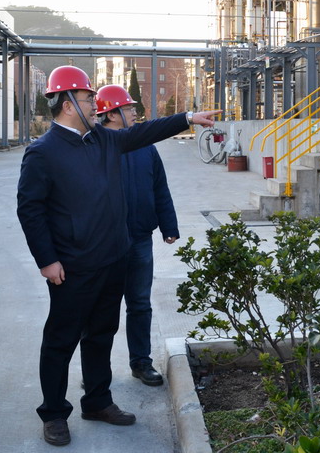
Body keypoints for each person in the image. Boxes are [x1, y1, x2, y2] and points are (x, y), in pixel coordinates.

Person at [16, 65, 219, 447]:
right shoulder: (43, 152)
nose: (95, 105)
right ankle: (54, 413)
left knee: (101, 335)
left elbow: (143, 132)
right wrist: (47, 260)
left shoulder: (103, 141)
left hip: (113, 259)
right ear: (67, 103)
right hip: (72, 267)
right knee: (61, 341)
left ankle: (97, 401)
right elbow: (30, 210)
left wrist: (187, 118)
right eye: (88, 99)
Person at [90, 84, 178, 387]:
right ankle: (95, 371)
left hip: (140, 238)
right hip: (105, 243)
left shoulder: (145, 147)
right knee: (101, 308)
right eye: (128, 108)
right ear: (112, 114)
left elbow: (159, 187)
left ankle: (141, 362)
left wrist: (169, 225)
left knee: (140, 303)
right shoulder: (94, 146)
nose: (134, 113)